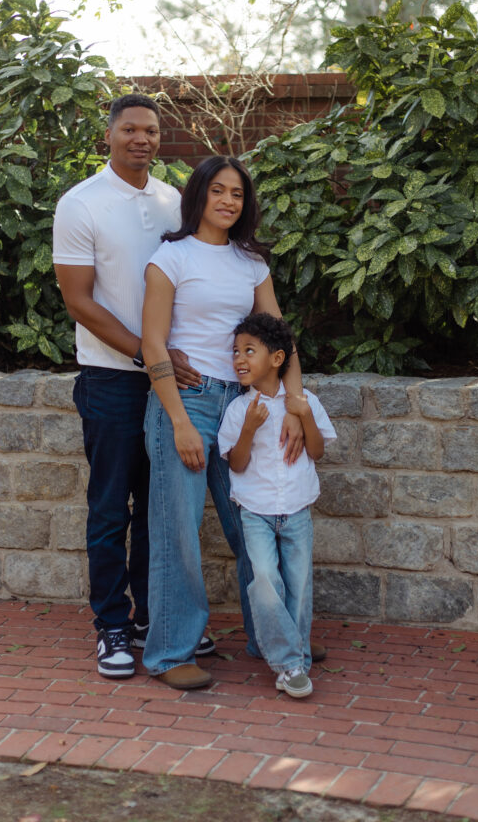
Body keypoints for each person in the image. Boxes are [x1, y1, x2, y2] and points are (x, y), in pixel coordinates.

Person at [141, 155, 314, 690]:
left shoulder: (250, 263)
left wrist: (294, 405)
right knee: (178, 530)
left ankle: (276, 640)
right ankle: (171, 654)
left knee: (252, 525)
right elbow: (153, 344)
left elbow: (281, 338)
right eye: (218, 190)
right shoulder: (170, 258)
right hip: (188, 402)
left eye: (237, 193)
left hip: (243, 405)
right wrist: (178, 422)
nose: (228, 201)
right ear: (199, 195)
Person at [52, 93, 210, 680]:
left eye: (151, 130)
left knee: (158, 509)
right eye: (130, 129)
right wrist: (148, 354)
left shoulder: (173, 201)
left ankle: (152, 619)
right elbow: (79, 301)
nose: (141, 139)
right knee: (110, 509)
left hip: (167, 379)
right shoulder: (81, 203)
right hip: (111, 377)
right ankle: (112, 625)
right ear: (110, 135)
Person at [217, 313, 336, 698]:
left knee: (298, 587)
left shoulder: (305, 402)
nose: (239, 358)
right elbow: (236, 464)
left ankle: (295, 662)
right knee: (266, 580)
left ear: (277, 358)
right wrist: (249, 429)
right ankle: (288, 663)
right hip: (255, 512)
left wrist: (304, 415)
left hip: (297, 510)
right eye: (236, 351)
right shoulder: (239, 410)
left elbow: (316, 451)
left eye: (249, 350)